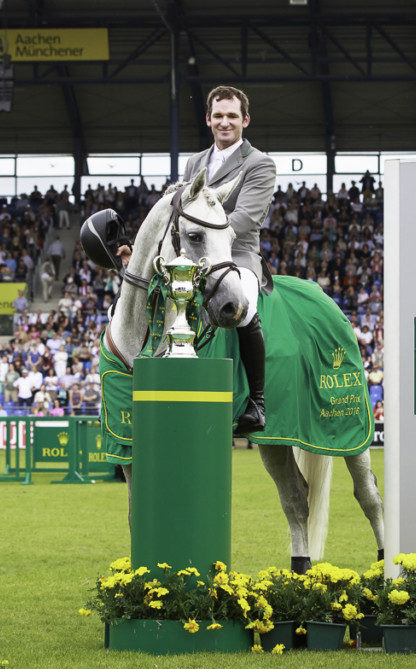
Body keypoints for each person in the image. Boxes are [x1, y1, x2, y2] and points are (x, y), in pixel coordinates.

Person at [177, 85, 276, 434]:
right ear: (208, 119)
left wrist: (203, 235)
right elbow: (181, 210)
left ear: (244, 120)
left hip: (238, 254)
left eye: (232, 116)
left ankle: (258, 402)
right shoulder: (194, 162)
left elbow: (246, 218)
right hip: (192, 254)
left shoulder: (259, 163)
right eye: (218, 115)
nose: (225, 122)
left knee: (244, 307)